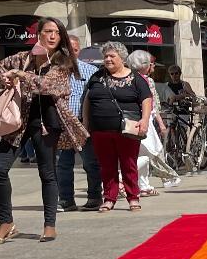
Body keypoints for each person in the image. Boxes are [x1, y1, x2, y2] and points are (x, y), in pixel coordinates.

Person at [0, 17, 88, 243]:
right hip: (18, 122)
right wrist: (3, 78)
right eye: (48, 31)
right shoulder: (24, 57)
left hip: (47, 124)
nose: (53, 36)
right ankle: (6, 222)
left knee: (47, 173)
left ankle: (49, 225)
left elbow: (47, 85)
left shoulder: (63, 62)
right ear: (38, 34)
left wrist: (20, 75)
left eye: (57, 32)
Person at [83, 42, 152, 213]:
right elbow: (87, 100)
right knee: (107, 166)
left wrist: (144, 120)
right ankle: (109, 198)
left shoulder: (136, 78)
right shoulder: (97, 77)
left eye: (112, 56)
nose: (107, 59)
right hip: (100, 130)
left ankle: (133, 197)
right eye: (105, 56)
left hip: (127, 130)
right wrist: (85, 122)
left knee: (129, 165)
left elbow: (146, 100)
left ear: (122, 58)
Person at [57, 35, 103, 212]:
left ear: (79, 51)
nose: (70, 53)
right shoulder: (54, 71)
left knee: (91, 163)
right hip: (62, 126)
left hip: (84, 124)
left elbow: (95, 98)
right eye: (67, 49)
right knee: (63, 164)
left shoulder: (91, 71)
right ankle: (66, 200)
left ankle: (94, 197)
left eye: (74, 50)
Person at [126, 51, 181, 196]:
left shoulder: (128, 78)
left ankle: (143, 185)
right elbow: (152, 105)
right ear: (143, 65)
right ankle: (119, 177)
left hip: (132, 120)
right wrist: (160, 124)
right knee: (150, 152)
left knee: (142, 153)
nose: (153, 66)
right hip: (144, 121)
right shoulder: (146, 80)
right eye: (151, 63)